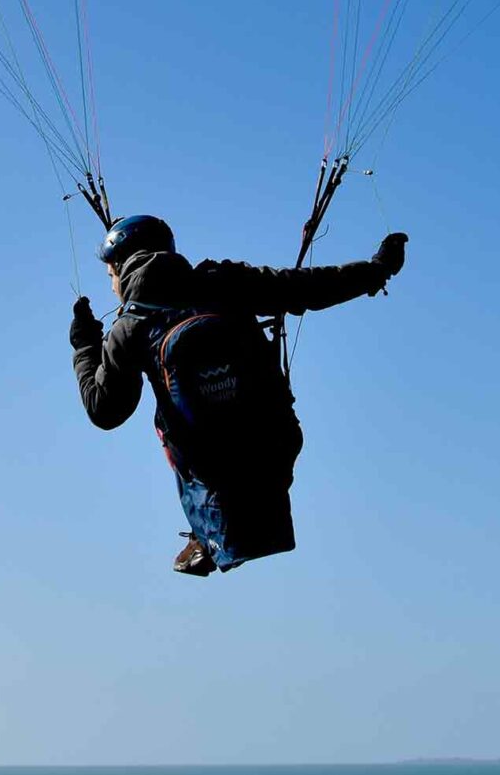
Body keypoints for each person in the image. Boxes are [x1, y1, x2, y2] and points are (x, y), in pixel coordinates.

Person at [69, 214, 409, 576]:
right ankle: (218, 530)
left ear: (122, 268)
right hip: (273, 447)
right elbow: (307, 287)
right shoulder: (224, 282)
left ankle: (208, 532)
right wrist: (376, 270)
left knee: (194, 448)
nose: (112, 288)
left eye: (110, 277)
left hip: (211, 467)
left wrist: (85, 346)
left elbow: (104, 411)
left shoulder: (129, 327)